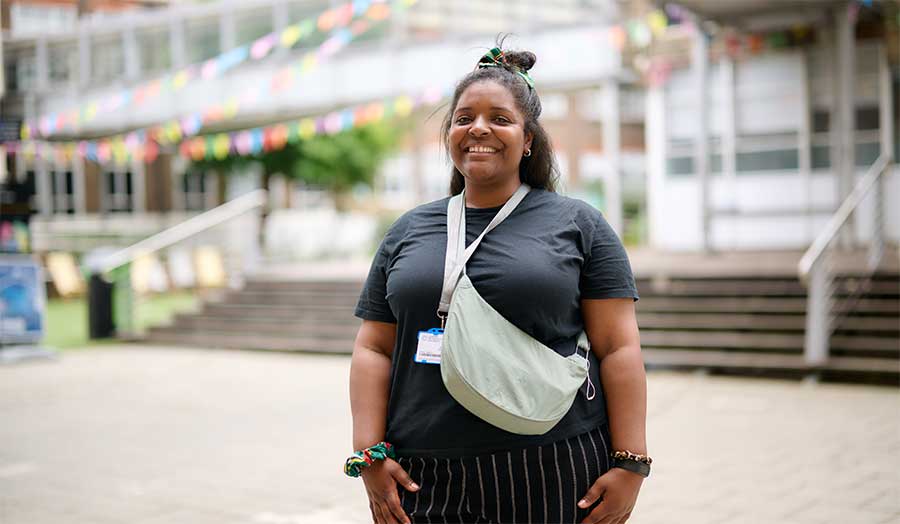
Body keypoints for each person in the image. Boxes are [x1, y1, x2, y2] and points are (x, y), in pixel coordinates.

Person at [348, 42, 649, 524]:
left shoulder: (579, 224)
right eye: (464, 118)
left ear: (528, 139)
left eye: (500, 119)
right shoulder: (408, 230)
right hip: (421, 473)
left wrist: (631, 463)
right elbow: (374, 349)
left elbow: (619, 348)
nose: (479, 129)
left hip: (552, 466)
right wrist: (368, 452)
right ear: (449, 134)